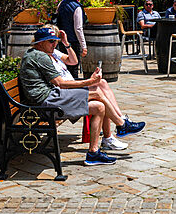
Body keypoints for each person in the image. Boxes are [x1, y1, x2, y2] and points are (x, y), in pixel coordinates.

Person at [19, 27, 145, 166]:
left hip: (50, 98)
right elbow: (60, 83)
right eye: (50, 42)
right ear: (40, 43)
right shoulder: (39, 56)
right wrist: (90, 81)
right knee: (97, 92)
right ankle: (121, 125)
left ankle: (93, 153)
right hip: (46, 102)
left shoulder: (38, 53)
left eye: (55, 41)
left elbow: (71, 63)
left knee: (99, 107)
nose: (54, 44)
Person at [56, 0, 87, 79]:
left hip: (61, 39)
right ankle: (74, 87)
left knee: (64, 65)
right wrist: (84, 46)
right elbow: (78, 29)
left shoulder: (61, 4)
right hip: (73, 41)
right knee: (73, 67)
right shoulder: (77, 7)